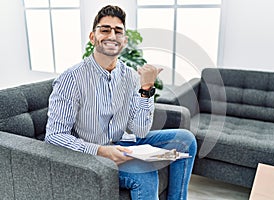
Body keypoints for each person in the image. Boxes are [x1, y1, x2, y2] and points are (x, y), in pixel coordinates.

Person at [45, 5, 196, 200]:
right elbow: (54, 136)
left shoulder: (130, 77)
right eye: (105, 30)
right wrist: (101, 150)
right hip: (91, 152)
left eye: (118, 31)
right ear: (93, 37)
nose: (112, 36)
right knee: (145, 173)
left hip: (121, 142)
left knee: (185, 140)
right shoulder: (72, 78)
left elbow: (140, 130)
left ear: (124, 41)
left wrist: (147, 88)